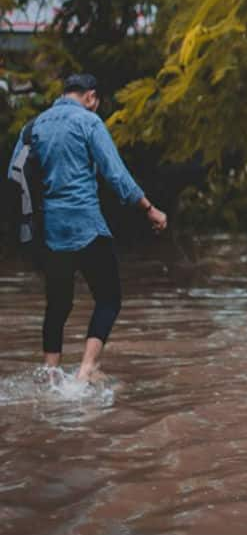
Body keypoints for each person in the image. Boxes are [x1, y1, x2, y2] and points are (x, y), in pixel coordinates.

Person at [6, 73, 168, 382]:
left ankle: (50, 374)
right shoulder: (88, 122)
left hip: (51, 231)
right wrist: (149, 209)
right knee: (109, 298)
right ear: (91, 97)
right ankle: (87, 368)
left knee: (58, 304)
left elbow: (14, 176)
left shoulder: (33, 127)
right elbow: (116, 175)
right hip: (88, 227)